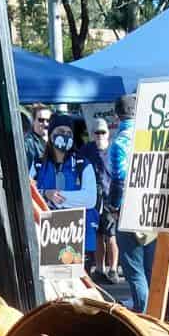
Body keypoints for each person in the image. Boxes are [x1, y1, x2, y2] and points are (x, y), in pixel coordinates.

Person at [107, 94, 156, 312]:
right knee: (150, 266)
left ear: (117, 115)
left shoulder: (119, 142)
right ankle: (155, 308)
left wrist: (113, 206)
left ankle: (142, 310)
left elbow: (119, 178)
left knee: (134, 269)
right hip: (152, 207)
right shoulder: (151, 137)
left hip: (129, 209)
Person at [32, 114, 98, 266]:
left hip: (78, 236)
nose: (65, 136)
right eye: (61, 131)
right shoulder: (38, 165)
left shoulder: (83, 164)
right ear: (51, 134)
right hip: (47, 236)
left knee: (78, 286)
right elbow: (28, 194)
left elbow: (90, 198)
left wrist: (58, 198)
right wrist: (46, 194)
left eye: (69, 133)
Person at [85, 117, 118, 282]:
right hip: (93, 199)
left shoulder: (113, 150)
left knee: (111, 236)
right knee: (98, 235)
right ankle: (99, 269)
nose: (99, 135)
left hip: (110, 198)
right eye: (96, 132)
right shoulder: (86, 150)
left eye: (102, 132)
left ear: (108, 134)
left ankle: (113, 270)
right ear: (92, 134)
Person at [25, 105, 51, 171]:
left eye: (48, 120)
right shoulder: (28, 143)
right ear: (33, 121)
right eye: (41, 120)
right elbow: (24, 172)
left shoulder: (55, 142)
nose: (45, 124)